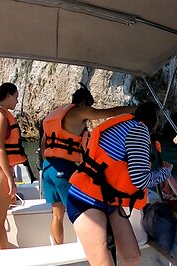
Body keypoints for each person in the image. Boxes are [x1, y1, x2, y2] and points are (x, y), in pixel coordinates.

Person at [67, 102, 173, 266]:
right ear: (155, 121)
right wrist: (166, 172)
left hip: (109, 201)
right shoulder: (138, 131)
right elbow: (141, 180)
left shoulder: (127, 126)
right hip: (85, 200)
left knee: (132, 257)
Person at [41, 82, 136, 245]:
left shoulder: (56, 114)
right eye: (90, 106)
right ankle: (90, 249)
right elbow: (110, 113)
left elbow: (44, 143)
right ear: (84, 103)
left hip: (48, 167)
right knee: (81, 212)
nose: (89, 112)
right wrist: (136, 110)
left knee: (57, 214)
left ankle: (58, 247)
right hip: (63, 169)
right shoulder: (79, 111)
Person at [0, 82, 22, 249]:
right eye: (15, 97)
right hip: (0, 172)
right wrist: (10, 179)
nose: (17, 101)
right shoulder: (1, 115)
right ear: (8, 95)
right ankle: (4, 257)